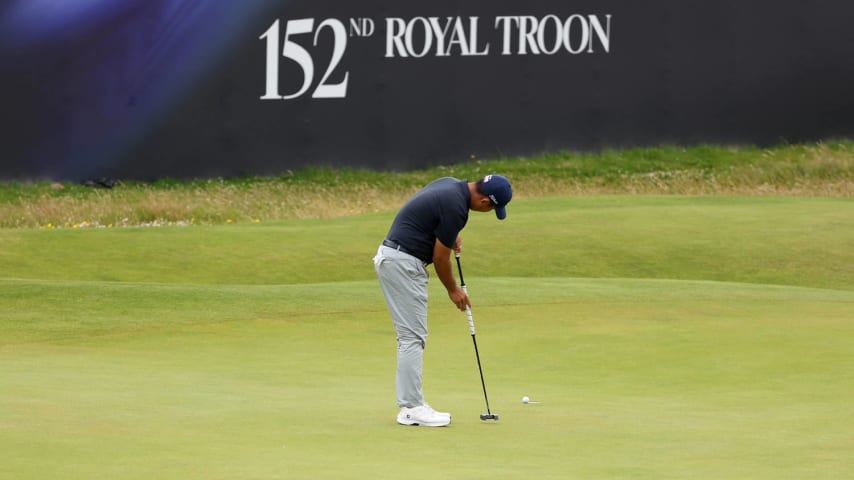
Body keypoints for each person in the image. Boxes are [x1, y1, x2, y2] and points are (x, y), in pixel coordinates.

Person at [373, 174, 513, 427]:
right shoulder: (457, 208)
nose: (488, 211)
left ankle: (411, 404)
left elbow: (427, 215)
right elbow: (440, 259)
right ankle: (411, 408)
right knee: (412, 337)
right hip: (403, 263)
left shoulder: (451, 184)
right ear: (484, 202)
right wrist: (453, 290)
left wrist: (446, 235)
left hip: (396, 257)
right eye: (492, 208)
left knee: (411, 336)